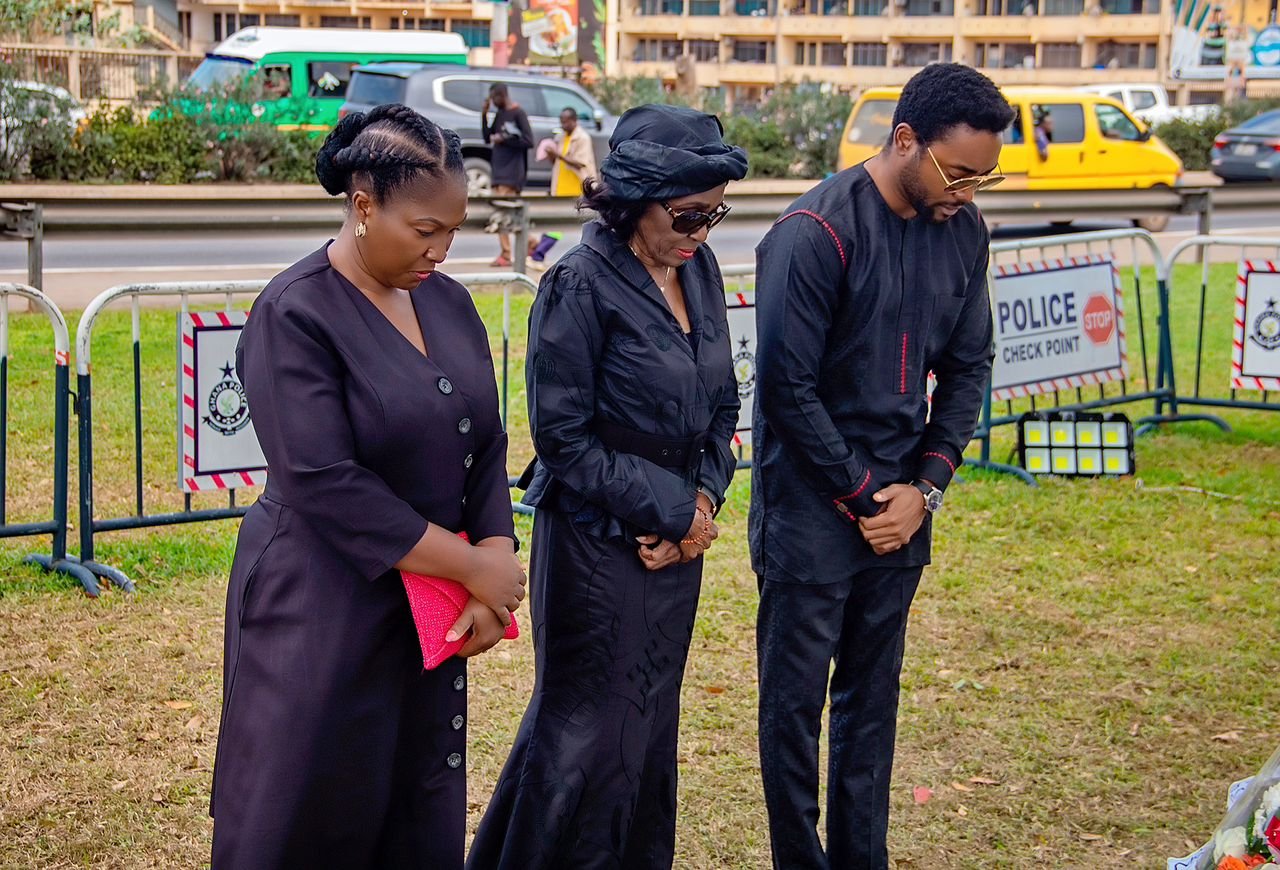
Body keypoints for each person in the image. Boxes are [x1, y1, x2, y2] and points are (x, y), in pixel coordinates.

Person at [209, 103, 527, 869]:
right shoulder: (294, 312)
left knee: (413, 805)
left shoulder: (448, 303)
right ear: (362, 206)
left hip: (426, 608)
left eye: (455, 230)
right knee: (305, 806)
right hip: (320, 604)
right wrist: (470, 567)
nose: (442, 251)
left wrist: (493, 552)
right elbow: (324, 481)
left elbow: (480, 440)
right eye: (425, 231)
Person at [467, 104, 748, 870]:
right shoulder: (578, 286)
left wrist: (703, 505)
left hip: (678, 543)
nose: (702, 234)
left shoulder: (704, 269)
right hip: (595, 544)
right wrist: (669, 509)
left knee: (651, 728)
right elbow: (562, 438)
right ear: (636, 199)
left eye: (716, 216)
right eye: (689, 216)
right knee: (583, 733)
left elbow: (723, 403)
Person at [750, 63, 1013, 870]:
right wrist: (866, 496)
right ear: (904, 141)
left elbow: (970, 366)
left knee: (872, 705)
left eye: (984, 177)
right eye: (959, 172)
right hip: (810, 511)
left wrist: (924, 489)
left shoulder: (962, 232)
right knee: (793, 714)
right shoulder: (814, 232)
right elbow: (787, 390)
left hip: (902, 515)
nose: (969, 192)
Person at [482, 83, 534, 267]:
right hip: (498, 170)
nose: (494, 103)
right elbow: (487, 137)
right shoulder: (500, 114)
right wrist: (484, 115)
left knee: (502, 213)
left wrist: (505, 139)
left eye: (494, 98)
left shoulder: (518, 113)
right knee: (508, 213)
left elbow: (529, 140)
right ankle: (531, 241)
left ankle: (506, 254)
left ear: (502, 95)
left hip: (512, 172)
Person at [546, 106, 597, 199]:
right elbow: (557, 163)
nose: (563, 125)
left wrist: (558, 155)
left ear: (574, 120)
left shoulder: (582, 138)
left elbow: (580, 163)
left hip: (576, 189)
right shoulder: (561, 137)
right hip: (561, 188)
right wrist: (551, 155)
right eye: (561, 122)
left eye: (565, 122)